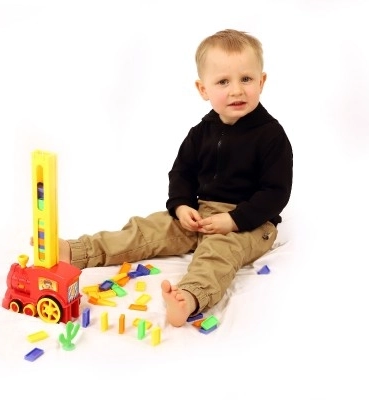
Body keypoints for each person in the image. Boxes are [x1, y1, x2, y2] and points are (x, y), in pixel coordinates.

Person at [53, 29, 293, 327]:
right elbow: (182, 173)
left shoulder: (271, 136)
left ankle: (190, 298)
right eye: (222, 82)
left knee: (219, 251)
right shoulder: (200, 133)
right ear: (203, 89)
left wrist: (234, 220)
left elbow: (276, 193)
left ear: (262, 81)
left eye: (246, 79)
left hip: (252, 223)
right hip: (201, 213)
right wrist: (181, 207)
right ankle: (78, 251)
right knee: (147, 229)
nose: (236, 90)